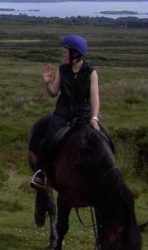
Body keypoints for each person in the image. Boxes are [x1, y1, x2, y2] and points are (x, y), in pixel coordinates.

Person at [29, 34, 101, 190]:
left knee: (100, 141)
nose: (63, 54)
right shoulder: (62, 69)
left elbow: (95, 98)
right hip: (62, 113)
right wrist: (47, 83)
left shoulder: (91, 73)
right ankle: (41, 173)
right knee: (48, 140)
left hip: (83, 115)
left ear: (75, 53)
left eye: (65, 51)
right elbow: (54, 93)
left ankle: (102, 176)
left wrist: (94, 118)